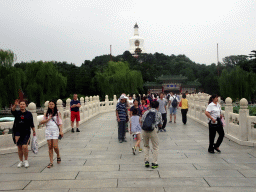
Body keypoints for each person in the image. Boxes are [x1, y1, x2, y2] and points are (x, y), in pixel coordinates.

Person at [11, 99, 35, 168]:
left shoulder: (29, 114)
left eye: (23, 104)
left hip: (26, 132)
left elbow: (31, 123)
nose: (22, 105)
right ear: (19, 105)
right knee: (19, 147)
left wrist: (34, 131)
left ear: (25, 105)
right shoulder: (17, 113)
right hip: (17, 132)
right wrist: (15, 105)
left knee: (25, 146)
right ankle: (21, 161)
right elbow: (12, 110)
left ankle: (26, 160)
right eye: (21, 104)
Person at [40, 101, 63, 168]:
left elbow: (60, 123)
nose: (51, 105)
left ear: (54, 105)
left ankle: (58, 155)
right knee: (50, 146)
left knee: (55, 146)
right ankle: (51, 162)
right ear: (48, 105)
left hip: (55, 130)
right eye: (50, 104)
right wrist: (48, 119)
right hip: (48, 130)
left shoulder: (57, 113)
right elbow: (41, 122)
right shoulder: (46, 113)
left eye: (52, 104)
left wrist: (61, 131)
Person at [141, 101, 162, 169]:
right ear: (158, 106)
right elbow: (160, 124)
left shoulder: (146, 112)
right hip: (153, 130)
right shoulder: (158, 113)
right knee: (155, 147)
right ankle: (154, 163)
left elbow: (142, 120)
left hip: (144, 130)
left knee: (146, 146)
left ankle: (146, 161)